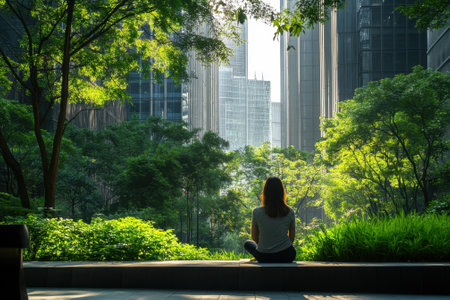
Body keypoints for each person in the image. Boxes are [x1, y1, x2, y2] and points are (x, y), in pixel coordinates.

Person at [244, 176, 296, 263]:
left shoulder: (256, 212)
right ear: (282, 192)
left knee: (247, 244)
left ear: (265, 192)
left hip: (263, 256)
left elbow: (254, 237)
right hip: (286, 255)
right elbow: (292, 238)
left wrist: (266, 247)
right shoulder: (290, 211)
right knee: (290, 249)